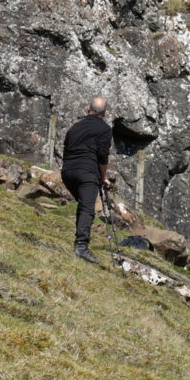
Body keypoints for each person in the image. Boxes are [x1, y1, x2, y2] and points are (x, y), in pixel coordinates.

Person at [61, 96, 112, 263]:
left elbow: (66, 148)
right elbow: (102, 155)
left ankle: (80, 241)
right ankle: (81, 246)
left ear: (87, 108)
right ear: (104, 113)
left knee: (83, 204)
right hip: (87, 172)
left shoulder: (74, 128)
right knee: (87, 208)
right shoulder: (104, 129)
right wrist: (103, 177)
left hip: (68, 172)